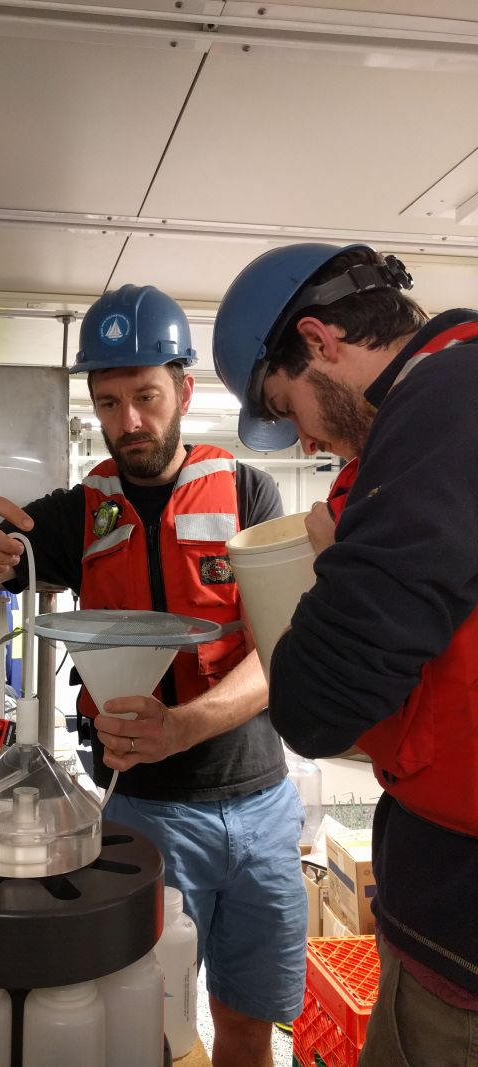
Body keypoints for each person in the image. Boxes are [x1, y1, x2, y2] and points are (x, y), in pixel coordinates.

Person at [0, 283, 307, 1067]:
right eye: (108, 402)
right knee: (135, 1023)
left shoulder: (249, 491)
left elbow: (283, 651)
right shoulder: (75, 513)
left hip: (258, 805)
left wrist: (187, 723)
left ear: (184, 388)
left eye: (146, 396)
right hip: (139, 813)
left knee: (247, 1023)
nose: (129, 423)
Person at [212, 242, 478, 1067]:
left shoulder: (443, 402)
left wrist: (329, 568)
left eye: (288, 407)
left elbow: (318, 703)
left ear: (322, 341)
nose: (299, 440)